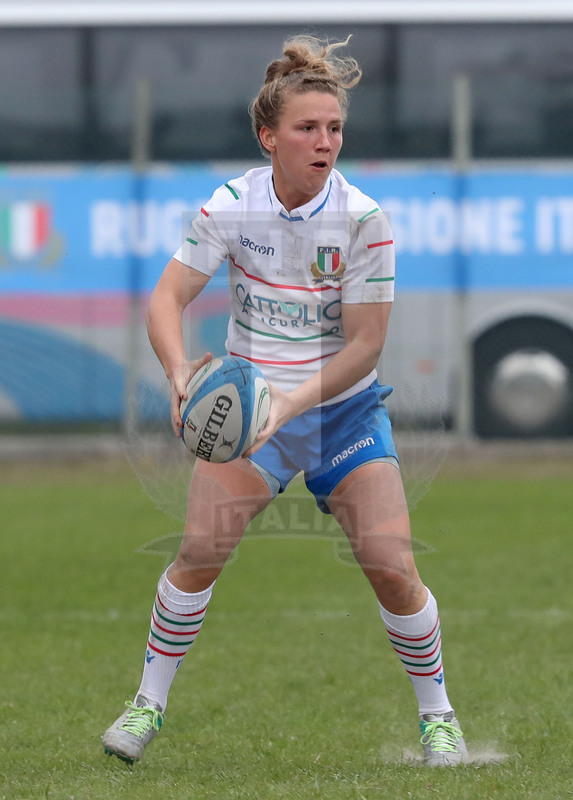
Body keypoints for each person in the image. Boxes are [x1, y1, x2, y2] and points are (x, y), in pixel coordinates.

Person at [102, 34, 467, 768]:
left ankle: (439, 718)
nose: (324, 141)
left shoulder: (364, 220)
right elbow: (166, 300)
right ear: (268, 137)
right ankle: (145, 706)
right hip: (252, 413)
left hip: (340, 412)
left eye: (333, 128)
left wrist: (288, 403)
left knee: (391, 564)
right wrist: (179, 376)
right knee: (200, 550)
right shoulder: (233, 206)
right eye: (306, 128)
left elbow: (365, 346)